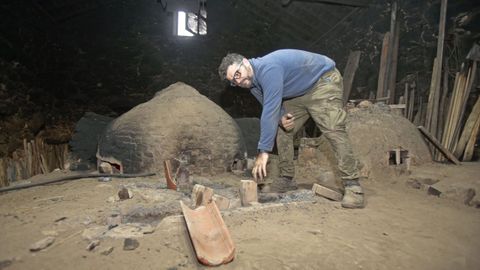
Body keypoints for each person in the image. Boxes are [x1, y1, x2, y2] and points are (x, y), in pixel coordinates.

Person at [218, 49, 364, 208]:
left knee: (333, 127)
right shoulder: (253, 84)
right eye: (233, 81)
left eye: (237, 75)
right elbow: (272, 107)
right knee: (282, 129)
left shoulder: (268, 68)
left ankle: (353, 186)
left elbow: (269, 111)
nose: (238, 82)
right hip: (300, 92)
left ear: (245, 62)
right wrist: (282, 117)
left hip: (323, 80)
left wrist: (263, 151)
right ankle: (287, 177)